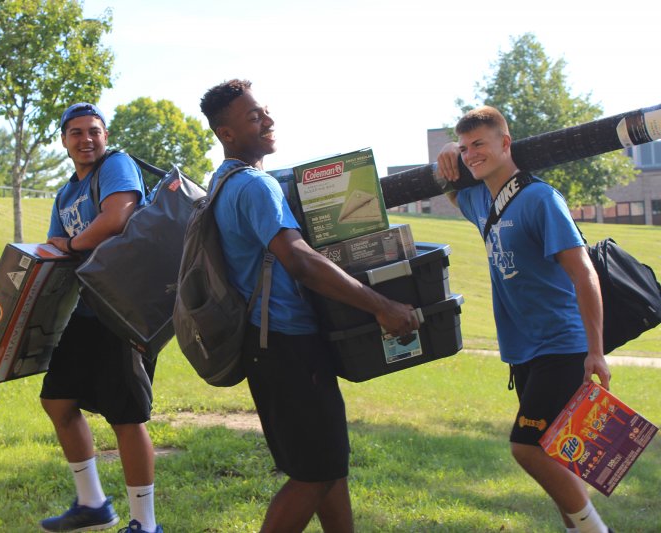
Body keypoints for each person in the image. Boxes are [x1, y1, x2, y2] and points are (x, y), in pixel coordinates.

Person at [199, 79, 419, 533]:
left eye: (265, 112)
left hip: (269, 346)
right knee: (312, 477)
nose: (269, 121)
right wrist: (381, 306)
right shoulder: (255, 186)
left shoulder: (222, 183)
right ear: (227, 133)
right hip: (288, 348)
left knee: (328, 470)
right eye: (255, 117)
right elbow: (299, 261)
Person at [436, 106, 613, 533]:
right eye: (465, 147)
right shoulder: (480, 199)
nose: (471, 154)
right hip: (522, 351)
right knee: (555, 453)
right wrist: (446, 153)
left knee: (527, 448)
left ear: (505, 143)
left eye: (479, 144)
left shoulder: (540, 198)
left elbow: (583, 273)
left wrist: (596, 352)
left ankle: (596, 530)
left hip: (561, 346)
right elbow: (450, 186)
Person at [41, 102, 162, 533]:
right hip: (88, 307)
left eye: (94, 130)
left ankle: (145, 524)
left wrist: (73, 245)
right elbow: (55, 241)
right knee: (57, 399)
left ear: (105, 136)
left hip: (126, 308)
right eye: (76, 132)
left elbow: (117, 218)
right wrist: (68, 244)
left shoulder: (117, 165)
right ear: (64, 141)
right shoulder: (66, 192)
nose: (86, 139)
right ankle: (92, 504)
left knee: (125, 415)